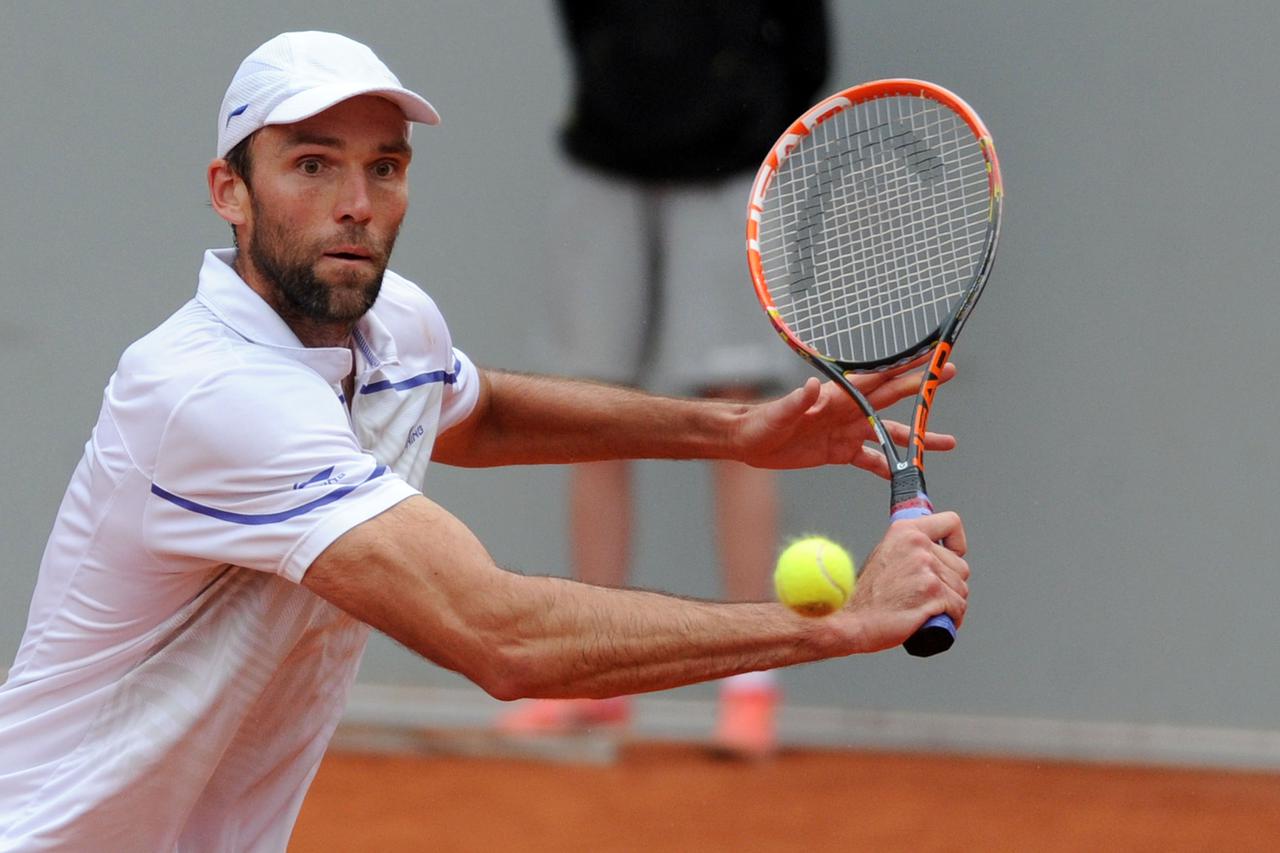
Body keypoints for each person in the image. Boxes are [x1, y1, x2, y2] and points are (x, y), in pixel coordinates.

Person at [0, 31, 969, 851]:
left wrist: (733, 433)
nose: (357, 201)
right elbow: (501, 637)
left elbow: (479, 411)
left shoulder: (392, 326)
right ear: (230, 190)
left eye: (383, 165)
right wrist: (835, 625)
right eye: (311, 163)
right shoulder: (211, 396)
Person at [500, 0, 831, 757]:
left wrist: (745, 120)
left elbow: (807, 44)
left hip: (729, 169)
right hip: (604, 163)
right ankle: (596, 679)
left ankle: (750, 686)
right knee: (589, 414)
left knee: (743, 417)